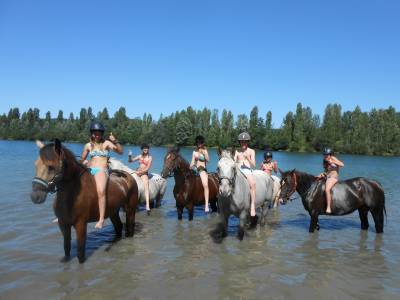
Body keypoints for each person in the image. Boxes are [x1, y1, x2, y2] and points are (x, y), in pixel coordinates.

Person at [81, 121, 123, 228]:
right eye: (94, 133)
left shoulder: (107, 144)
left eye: (99, 133)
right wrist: (84, 162)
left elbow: (120, 152)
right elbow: (82, 159)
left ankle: (101, 219)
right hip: (90, 170)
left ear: (102, 133)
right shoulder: (88, 145)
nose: (96, 135)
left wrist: (115, 141)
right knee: (72, 184)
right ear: (91, 133)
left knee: (101, 191)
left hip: (101, 170)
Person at [234, 132, 257, 217]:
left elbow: (253, 165)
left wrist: (248, 158)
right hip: (238, 168)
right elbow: (234, 161)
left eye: (245, 141)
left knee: (253, 184)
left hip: (247, 169)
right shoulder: (237, 151)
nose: (243, 143)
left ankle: (253, 206)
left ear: (247, 142)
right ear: (239, 142)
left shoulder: (251, 151)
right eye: (241, 141)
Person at [317, 147, 344, 214]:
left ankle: (328, 207)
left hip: (333, 177)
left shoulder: (333, 158)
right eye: (325, 154)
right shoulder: (324, 160)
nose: (326, 156)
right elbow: (326, 171)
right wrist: (322, 174)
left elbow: (342, 164)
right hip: (327, 176)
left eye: (327, 154)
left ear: (330, 154)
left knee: (327, 189)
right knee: (316, 183)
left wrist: (332, 161)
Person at [128, 143, 153, 215]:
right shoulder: (139, 156)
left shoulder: (150, 157)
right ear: (142, 149)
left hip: (144, 174)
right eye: (144, 148)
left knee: (146, 187)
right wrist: (129, 155)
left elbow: (148, 168)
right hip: (137, 171)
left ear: (148, 149)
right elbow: (130, 161)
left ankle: (147, 205)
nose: (145, 149)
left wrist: (140, 172)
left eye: (146, 148)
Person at [190, 135, 210, 212]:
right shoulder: (194, 152)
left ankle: (206, 205)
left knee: (205, 184)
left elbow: (208, 160)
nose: (199, 144)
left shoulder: (205, 150)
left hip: (202, 169)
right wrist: (190, 167)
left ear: (202, 143)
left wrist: (204, 153)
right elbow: (192, 162)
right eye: (198, 142)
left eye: (200, 142)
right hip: (195, 169)